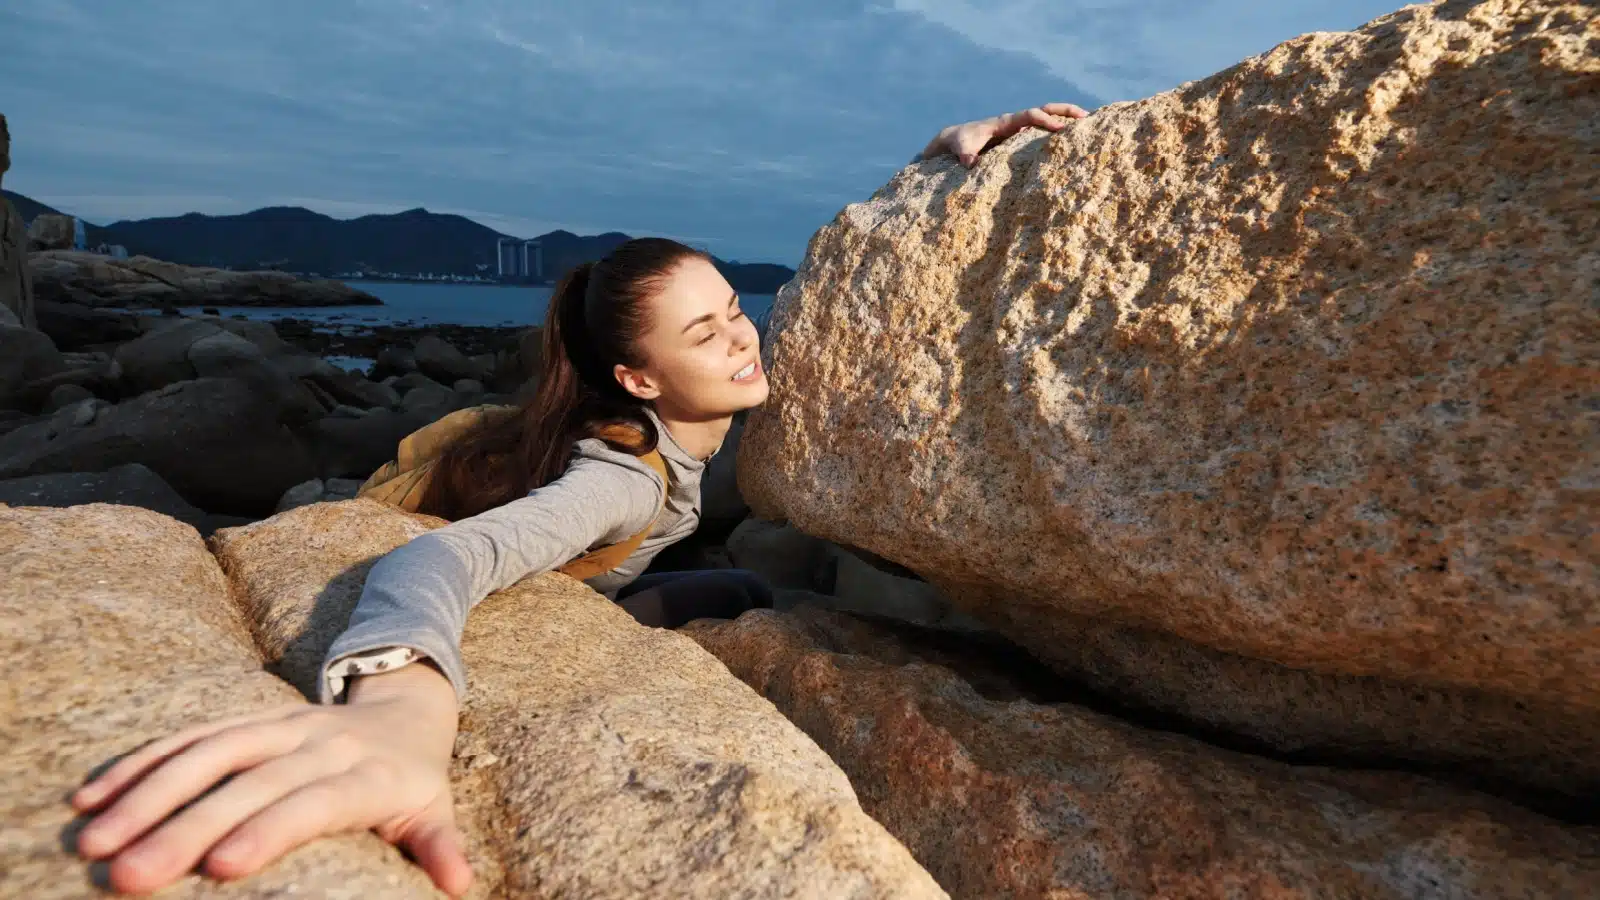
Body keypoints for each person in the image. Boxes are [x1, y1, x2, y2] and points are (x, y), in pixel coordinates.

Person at [68, 102, 1088, 897]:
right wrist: (398, 712)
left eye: (734, 309)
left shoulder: (715, 413)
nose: (742, 338)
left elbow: (863, 270)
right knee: (742, 592)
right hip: (413, 526)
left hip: (587, 564)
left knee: (738, 586)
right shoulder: (614, 481)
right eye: (705, 335)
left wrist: (940, 161)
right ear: (639, 381)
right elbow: (432, 560)